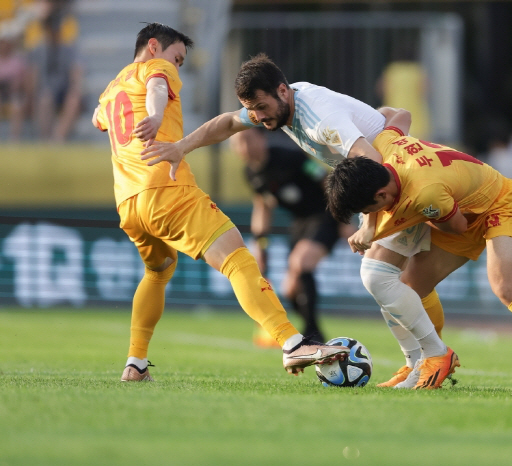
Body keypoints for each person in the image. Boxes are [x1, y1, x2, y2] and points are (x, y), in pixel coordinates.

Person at [140, 53, 454, 389]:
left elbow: (373, 160)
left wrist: (368, 226)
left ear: (282, 91)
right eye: (253, 110)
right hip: (387, 188)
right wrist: (182, 147)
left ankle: (433, 356)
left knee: (380, 277)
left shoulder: (320, 119)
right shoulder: (280, 105)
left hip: (397, 187)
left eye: (262, 107)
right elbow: (229, 123)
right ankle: (421, 361)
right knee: (394, 279)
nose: (258, 118)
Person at [92, 24, 347, 381]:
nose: (176, 67)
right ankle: (293, 344)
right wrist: (154, 115)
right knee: (237, 259)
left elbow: (97, 118)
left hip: (129, 203)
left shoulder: (111, 90)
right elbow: (157, 87)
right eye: (176, 58)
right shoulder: (155, 69)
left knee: (158, 272)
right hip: (166, 190)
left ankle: (135, 363)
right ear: (153, 46)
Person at [325, 108, 512, 394]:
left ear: (381, 195)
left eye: (370, 211)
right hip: (461, 206)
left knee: (505, 287)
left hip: (499, 203)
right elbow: (398, 115)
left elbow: (457, 227)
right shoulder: (383, 146)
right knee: (412, 287)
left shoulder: (425, 195)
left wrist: (395, 223)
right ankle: (431, 360)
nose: (373, 216)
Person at [232, 127, 354, 345]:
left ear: (262, 138)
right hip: (300, 223)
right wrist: (260, 245)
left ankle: (314, 334)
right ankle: (311, 331)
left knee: (302, 261)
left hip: (325, 215)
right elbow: (262, 207)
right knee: (290, 290)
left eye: (248, 139)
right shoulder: (250, 173)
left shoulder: (291, 157)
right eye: (238, 143)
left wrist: (343, 217)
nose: (245, 147)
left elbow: (326, 180)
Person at [30, 5, 82, 142]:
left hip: (64, 90)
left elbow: (75, 72)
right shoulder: (38, 50)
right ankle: (46, 139)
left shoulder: (69, 49)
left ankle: (58, 139)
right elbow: (33, 77)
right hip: (46, 91)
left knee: (73, 99)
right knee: (45, 99)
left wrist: (75, 87)